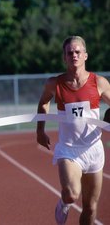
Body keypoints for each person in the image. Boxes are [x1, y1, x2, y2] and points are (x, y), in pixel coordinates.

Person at [36, 36, 110, 225]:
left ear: (86, 55)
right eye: (70, 53)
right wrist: (40, 130)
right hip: (69, 149)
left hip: (93, 149)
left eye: (78, 52)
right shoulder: (55, 83)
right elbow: (44, 101)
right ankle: (64, 202)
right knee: (71, 194)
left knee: (90, 207)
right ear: (64, 58)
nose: (74, 55)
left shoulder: (99, 82)